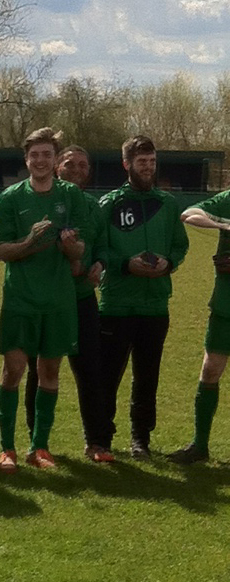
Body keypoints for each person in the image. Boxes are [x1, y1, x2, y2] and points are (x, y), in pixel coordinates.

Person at [0, 127, 91, 472]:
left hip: (59, 300)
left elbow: (79, 251)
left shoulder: (72, 197)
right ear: (26, 159)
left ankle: (40, 447)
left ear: (55, 159)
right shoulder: (9, 199)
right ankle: (7, 448)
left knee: (49, 371)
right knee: (13, 370)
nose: (40, 160)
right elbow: (1, 251)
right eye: (34, 155)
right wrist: (29, 242)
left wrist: (68, 244)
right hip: (20, 300)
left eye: (47, 154)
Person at [95, 135, 189, 460]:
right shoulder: (108, 205)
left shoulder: (168, 203)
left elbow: (180, 245)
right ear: (127, 165)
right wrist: (125, 265)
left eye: (151, 162)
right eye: (141, 162)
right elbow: (99, 249)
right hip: (117, 304)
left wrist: (169, 263)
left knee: (147, 377)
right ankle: (101, 438)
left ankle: (140, 440)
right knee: (108, 376)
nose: (148, 168)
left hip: (155, 305)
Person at [24, 146, 111, 461]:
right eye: (70, 164)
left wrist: (99, 264)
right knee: (40, 369)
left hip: (83, 298)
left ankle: (97, 442)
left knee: (89, 369)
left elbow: (103, 244)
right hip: (46, 298)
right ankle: (38, 442)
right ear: (57, 167)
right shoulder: (44, 201)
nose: (76, 169)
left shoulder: (92, 205)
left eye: (83, 165)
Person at [167, 191, 230, 463]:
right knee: (210, 369)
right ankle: (200, 446)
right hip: (225, 305)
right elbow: (189, 214)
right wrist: (224, 225)